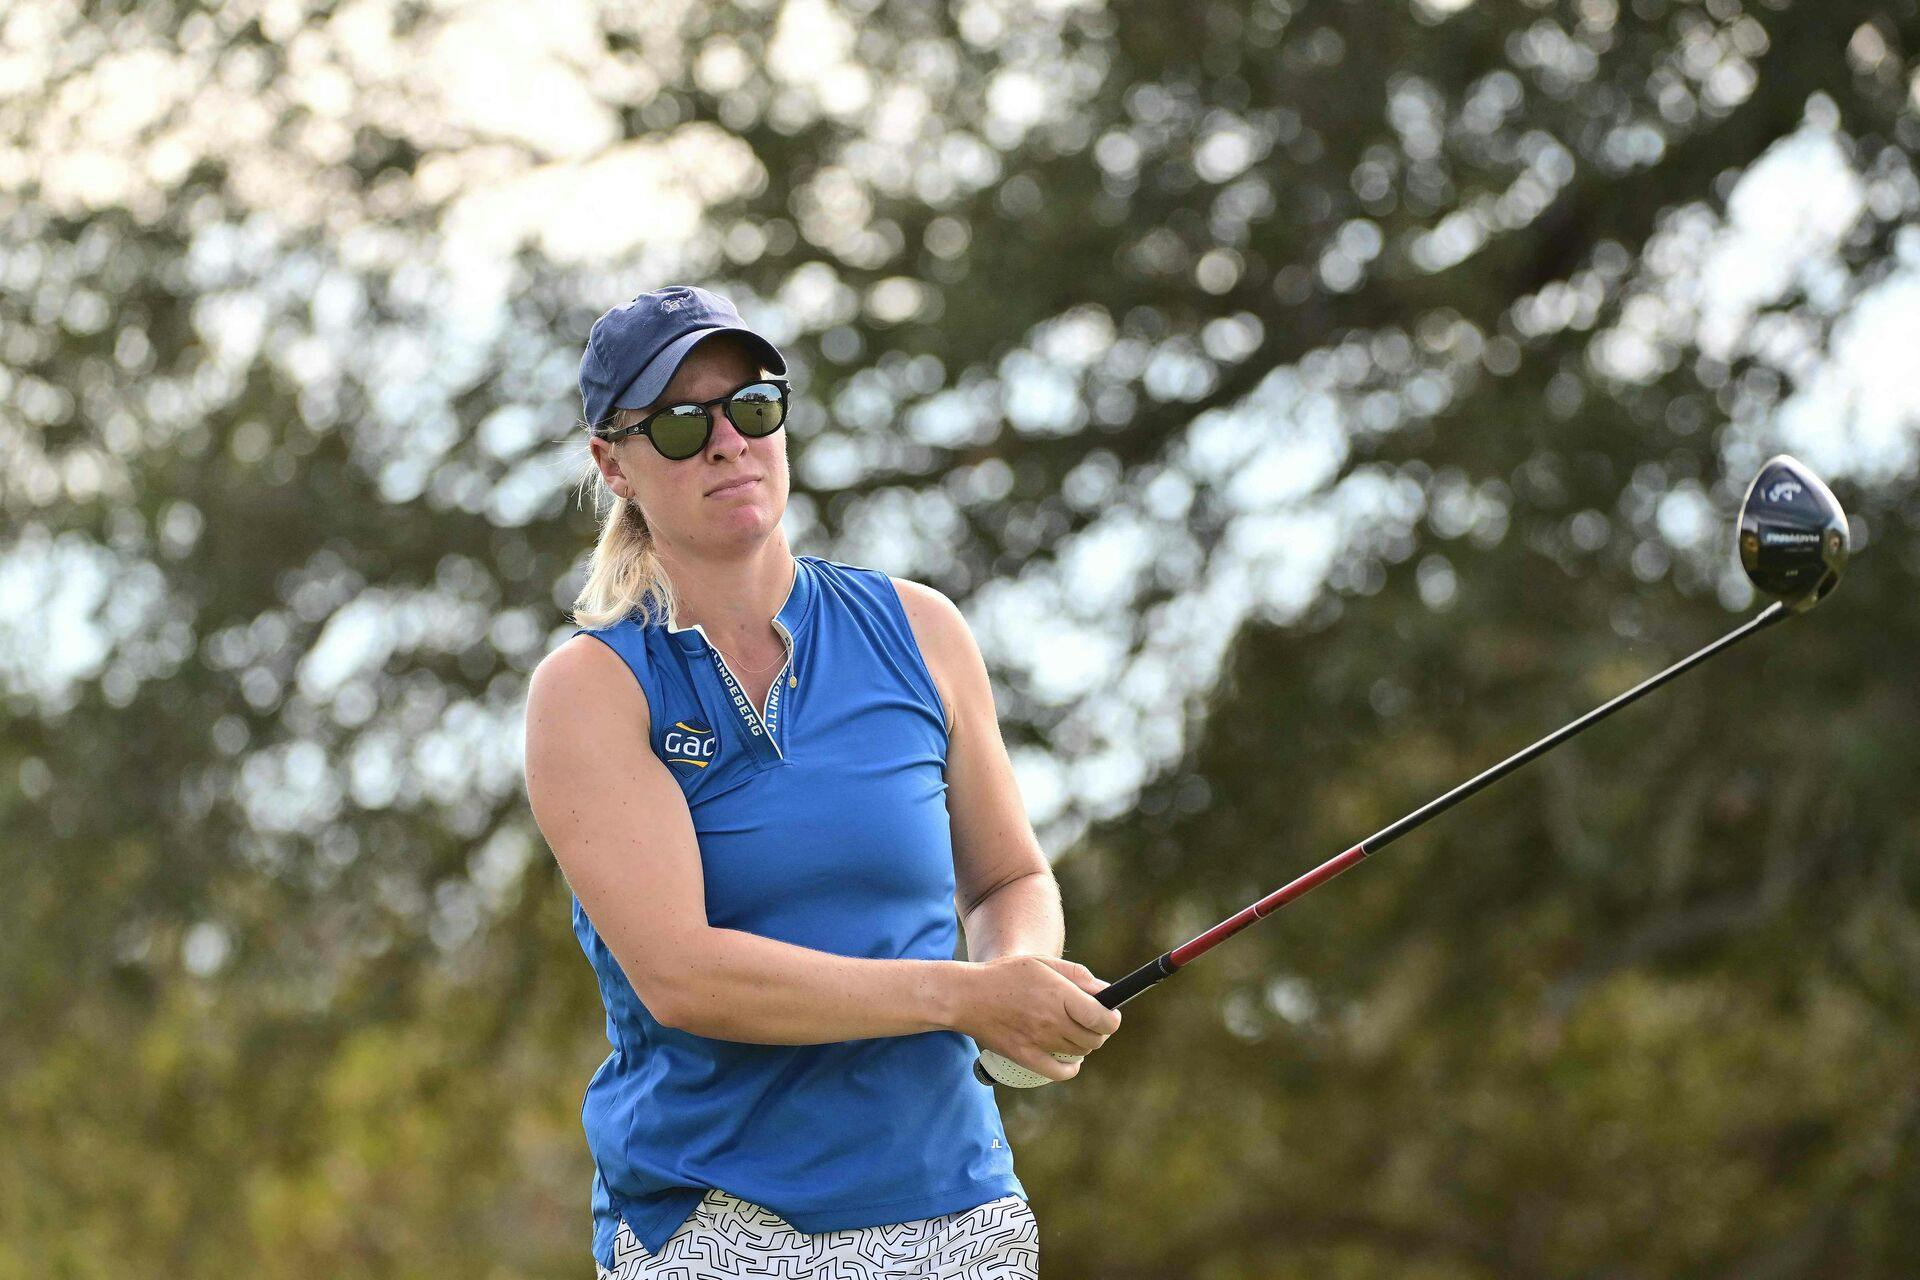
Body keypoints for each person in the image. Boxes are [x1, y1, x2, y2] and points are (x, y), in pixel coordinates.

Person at [522, 284, 1122, 1278]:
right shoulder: (591, 690)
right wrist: (964, 996)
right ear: (612, 462)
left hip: (958, 1207)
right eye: (679, 423)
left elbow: (1009, 878)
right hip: (719, 1224)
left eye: (751, 406)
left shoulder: (922, 631)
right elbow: (684, 976)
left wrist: (1021, 984)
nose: (726, 442)